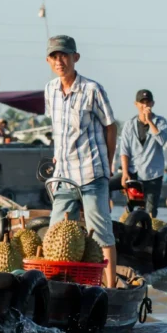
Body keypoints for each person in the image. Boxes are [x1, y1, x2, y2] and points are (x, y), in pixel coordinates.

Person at [44, 35, 118, 288]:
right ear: (48, 61)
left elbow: (110, 126)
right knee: (56, 234)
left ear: (75, 58)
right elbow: (58, 129)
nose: (59, 60)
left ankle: (110, 288)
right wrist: (57, 154)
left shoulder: (92, 89)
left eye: (64, 55)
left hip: (91, 172)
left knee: (100, 234)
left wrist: (107, 165)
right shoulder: (50, 90)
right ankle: (61, 286)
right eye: (54, 56)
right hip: (64, 175)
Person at [113, 90, 167, 218]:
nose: (145, 105)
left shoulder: (160, 122)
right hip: (133, 171)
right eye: (142, 103)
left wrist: (150, 121)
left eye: (147, 102)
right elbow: (124, 150)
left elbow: (161, 141)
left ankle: (149, 232)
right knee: (105, 186)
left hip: (152, 174)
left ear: (152, 103)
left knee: (151, 212)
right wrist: (125, 173)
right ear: (136, 104)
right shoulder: (129, 125)